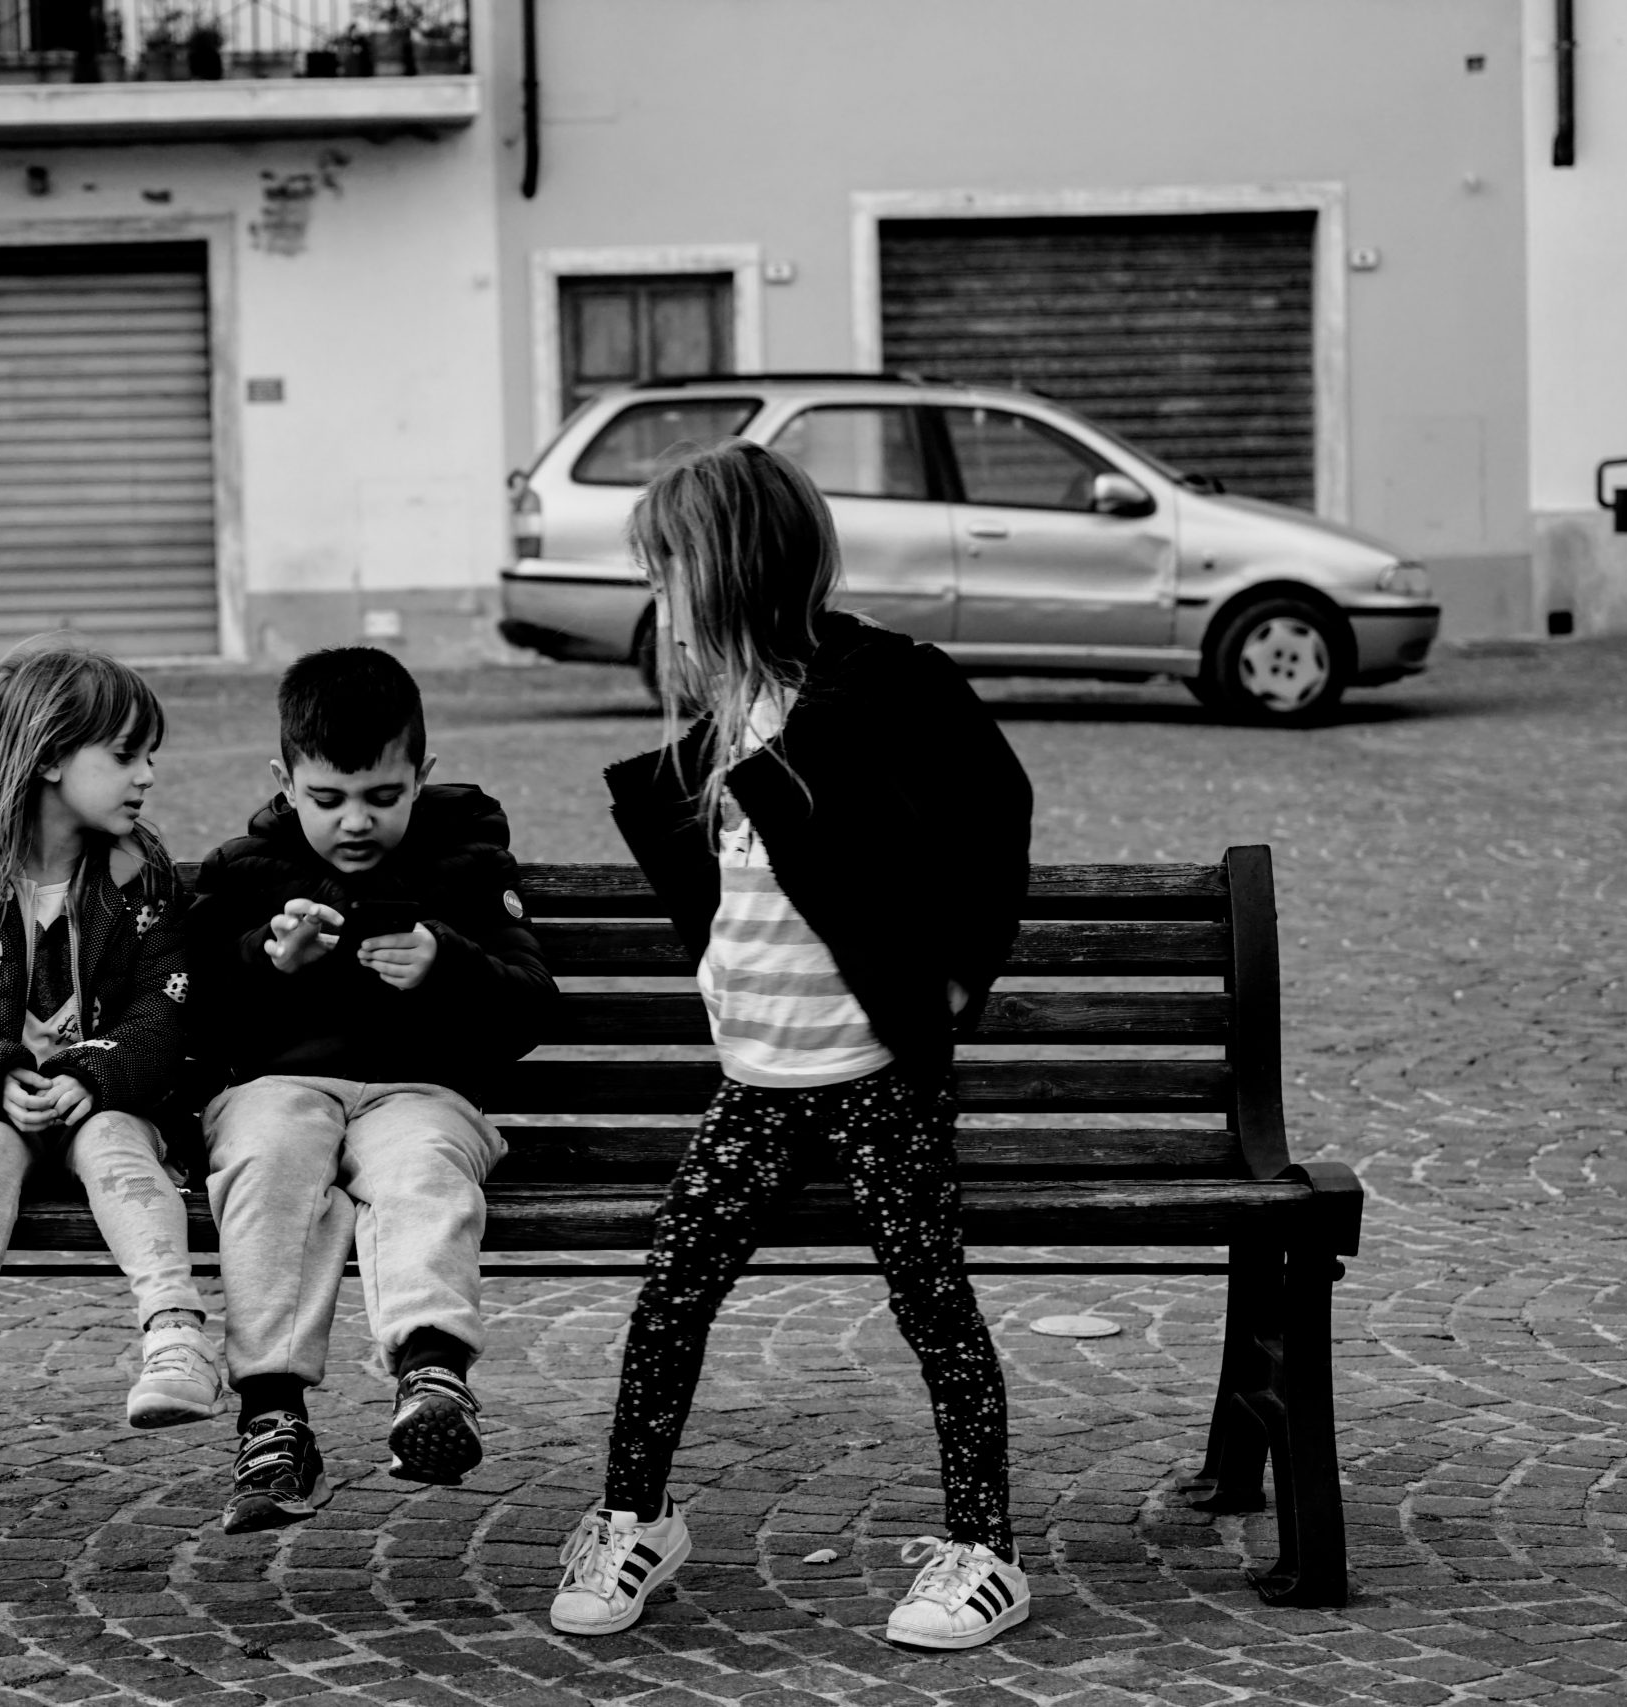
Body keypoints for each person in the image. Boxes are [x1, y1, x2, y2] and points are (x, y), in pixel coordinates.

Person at [548, 441, 1035, 1650]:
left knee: (932, 1303)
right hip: (756, 1083)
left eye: (664, 574)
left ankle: (985, 1551)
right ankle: (634, 1518)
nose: (655, 600)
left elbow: (995, 811)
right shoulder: (725, 719)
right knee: (673, 1287)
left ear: (726, 573)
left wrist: (956, 979)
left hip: (875, 1076)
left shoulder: (882, 686)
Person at [186, 647, 558, 1534]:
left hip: (418, 1090)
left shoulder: (468, 864)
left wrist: (446, 963)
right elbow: (188, 1009)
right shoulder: (243, 872)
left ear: (421, 776)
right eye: (328, 798)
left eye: (383, 796)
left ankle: (433, 1375)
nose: (355, 820)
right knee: (267, 1161)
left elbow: (532, 1006)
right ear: (284, 781)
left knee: (423, 1166)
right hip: (279, 1086)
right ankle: (273, 1420)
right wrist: (266, 961)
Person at [0, 640, 216, 1475]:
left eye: (150, 756)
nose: (147, 776)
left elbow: (166, 1008)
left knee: (115, 1141)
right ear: (51, 757)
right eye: (125, 755)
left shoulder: (138, 875)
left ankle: (177, 1336)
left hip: (111, 1105)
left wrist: (94, 1073)